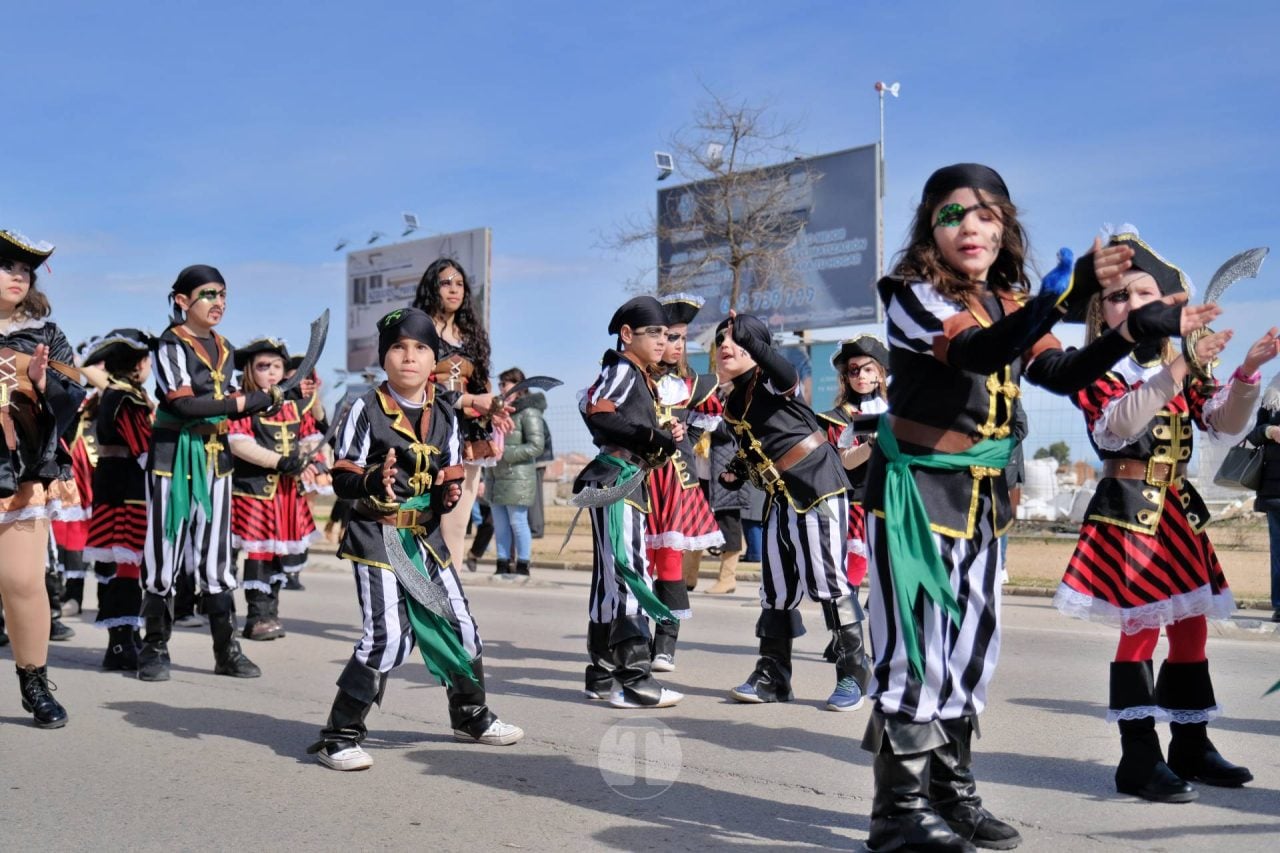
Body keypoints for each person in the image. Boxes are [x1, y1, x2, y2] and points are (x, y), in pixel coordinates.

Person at [860, 164, 1212, 853]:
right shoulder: (909, 293)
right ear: (930, 227)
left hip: (983, 502)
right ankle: (896, 811)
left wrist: (1131, 332)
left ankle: (951, 796)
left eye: (986, 215)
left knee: (969, 653)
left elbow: (1059, 371)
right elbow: (976, 351)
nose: (970, 227)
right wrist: (1058, 298)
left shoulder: (1008, 300)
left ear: (1005, 228)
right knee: (916, 651)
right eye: (952, 214)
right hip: (915, 498)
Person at [1053, 228, 1268, 803]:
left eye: (1144, 292)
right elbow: (1120, 424)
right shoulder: (1093, 368)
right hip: (1128, 512)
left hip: (1175, 509)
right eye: (1118, 296)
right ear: (1100, 313)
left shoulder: (1178, 359)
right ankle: (1138, 758)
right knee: (1142, 628)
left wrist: (1246, 371)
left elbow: (1222, 424)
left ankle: (1191, 745)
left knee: (1191, 626)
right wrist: (1181, 367)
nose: (1132, 302)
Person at [309, 307, 522, 771]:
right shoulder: (363, 408)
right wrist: (371, 481)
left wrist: (446, 493)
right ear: (383, 357)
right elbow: (341, 475)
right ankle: (339, 736)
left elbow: (450, 472)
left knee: (461, 626)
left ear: (434, 361)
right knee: (388, 637)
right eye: (398, 348)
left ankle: (470, 715)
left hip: (425, 540)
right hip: (378, 536)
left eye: (421, 348)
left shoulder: (443, 412)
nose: (409, 357)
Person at [714, 311, 867, 713]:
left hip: (818, 484)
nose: (725, 345)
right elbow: (757, 446)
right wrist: (737, 472)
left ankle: (854, 672)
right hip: (780, 496)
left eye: (736, 340)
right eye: (721, 341)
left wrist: (753, 341)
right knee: (776, 589)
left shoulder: (770, 379)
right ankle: (773, 676)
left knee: (830, 581)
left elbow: (783, 371)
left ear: (755, 349)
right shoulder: (733, 402)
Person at [139, 265, 282, 682]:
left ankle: (226, 650)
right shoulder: (170, 344)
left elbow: (225, 401)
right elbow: (183, 405)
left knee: (218, 560)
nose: (218, 302)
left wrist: (260, 400)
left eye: (222, 294)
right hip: (172, 458)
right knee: (163, 553)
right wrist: (244, 403)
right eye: (208, 294)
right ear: (182, 301)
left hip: (216, 460)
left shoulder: (225, 347)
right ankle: (154, 646)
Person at [575, 295, 684, 708]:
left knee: (610, 580)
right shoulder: (623, 367)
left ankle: (602, 675)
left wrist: (662, 437)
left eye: (666, 334)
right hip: (618, 479)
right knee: (629, 574)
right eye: (653, 332)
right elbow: (598, 411)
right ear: (627, 335)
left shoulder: (636, 374)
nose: (662, 341)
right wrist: (653, 436)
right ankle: (635, 681)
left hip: (621, 478)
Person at [0, 229, 85, 728]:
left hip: (23, 475)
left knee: (22, 581)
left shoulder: (46, 335)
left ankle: (34, 683)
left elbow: (74, 400)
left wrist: (41, 380)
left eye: (25, 270)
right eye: (7, 266)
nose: (18, 276)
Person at [411, 258, 511, 576]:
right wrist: (471, 400)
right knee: (422, 524)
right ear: (432, 288)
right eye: (446, 283)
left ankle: (449, 599)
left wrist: (494, 411)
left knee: (455, 527)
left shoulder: (471, 335)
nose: (454, 289)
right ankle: (415, 595)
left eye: (459, 284)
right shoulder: (417, 329)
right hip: (425, 433)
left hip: (467, 437)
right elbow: (415, 386)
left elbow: (481, 387)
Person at [643, 294, 724, 671]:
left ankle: (665, 644)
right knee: (640, 559)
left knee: (670, 559)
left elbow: (708, 417)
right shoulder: (633, 377)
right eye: (669, 337)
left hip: (675, 479)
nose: (676, 345)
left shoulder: (690, 384)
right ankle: (635, 639)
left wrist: (684, 441)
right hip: (639, 477)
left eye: (681, 338)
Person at [228, 337, 323, 641]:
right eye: (263, 366)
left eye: (277, 366)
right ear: (249, 370)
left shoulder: (292, 405)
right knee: (259, 554)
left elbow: (308, 434)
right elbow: (238, 443)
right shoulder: (242, 401)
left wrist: (309, 459)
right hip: (253, 492)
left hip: (286, 494)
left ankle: (271, 613)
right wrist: (281, 462)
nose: (271, 371)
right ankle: (256, 617)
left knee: (279, 555)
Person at [81, 329, 155, 671]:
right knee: (127, 565)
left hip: (113, 485)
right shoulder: (127, 397)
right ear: (139, 364)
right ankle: (121, 643)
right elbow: (143, 447)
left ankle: (125, 637)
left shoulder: (115, 392)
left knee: (119, 564)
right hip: (128, 490)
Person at [818, 334, 890, 592]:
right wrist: (872, 443)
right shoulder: (840, 417)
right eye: (854, 370)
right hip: (860, 502)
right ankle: (848, 619)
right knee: (854, 573)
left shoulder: (893, 412)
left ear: (880, 374)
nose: (861, 376)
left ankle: (877, 615)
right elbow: (846, 461)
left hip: (895, 500)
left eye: (868, 369)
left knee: (891, 573)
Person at [489, 367, 546, 578]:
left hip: (518, 477)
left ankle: (523, 564)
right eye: (500, 384)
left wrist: (505, 453)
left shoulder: (529, 411)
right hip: (495, 475)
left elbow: (536, 446)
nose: (502, 388)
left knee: (518, 522)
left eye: (505, 383)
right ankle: (502, 563)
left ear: (519, 386)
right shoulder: (498, 412)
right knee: (500, 524)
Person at [704, 419, 746, 594]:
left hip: (726, 470)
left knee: (729, 525)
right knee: (697, 524)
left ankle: (727, 579)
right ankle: (688, 576)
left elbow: (731, 430)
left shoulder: (731, 404)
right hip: (703, 470)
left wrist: (706, 419)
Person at [1251, 374, 1280, 623]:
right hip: (1275, 490)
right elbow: (1254, 434)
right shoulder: (1273, 394)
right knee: (1279, 551)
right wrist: (1270, 431)